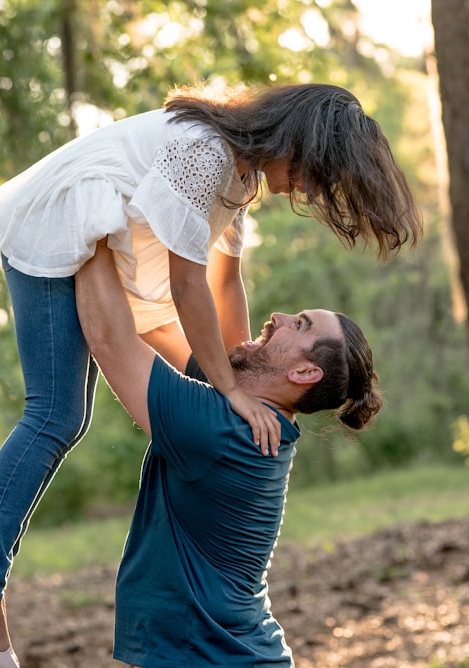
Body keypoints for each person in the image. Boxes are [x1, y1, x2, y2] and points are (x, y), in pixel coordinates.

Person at [0, 82, 419, 667]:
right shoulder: (207, 153)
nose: (312, 192)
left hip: (107, 236)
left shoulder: (240, 179)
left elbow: (223, 284)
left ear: (305, 372)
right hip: (62, 212)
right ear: (301, 144)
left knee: (66, 414)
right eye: (319, 174)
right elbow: (189, 286)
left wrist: (231, 376)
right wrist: (232, 383)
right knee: (55, 414)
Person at [82, 238, 382, 666]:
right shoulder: (249, 410)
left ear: (303, 372)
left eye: (298, 324)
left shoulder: (227, 430)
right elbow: (173, 315)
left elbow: (110, 339)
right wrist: (233, 218)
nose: (277, 317)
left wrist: (87, 225)